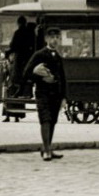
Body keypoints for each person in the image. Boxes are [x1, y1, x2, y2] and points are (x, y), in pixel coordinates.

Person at [24, 27, 67, 161]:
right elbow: (26, 73)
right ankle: (47, 150)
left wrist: (64, 97)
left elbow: (63, 78)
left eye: (57, 38)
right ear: (46, 39)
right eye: (52, 37)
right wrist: (41, 78)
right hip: (43, 93)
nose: (55, 40)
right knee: (45, 120)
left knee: (52, 120)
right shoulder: (39, 55)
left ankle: (47, 148)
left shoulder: (58, 57)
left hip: (56, 94)